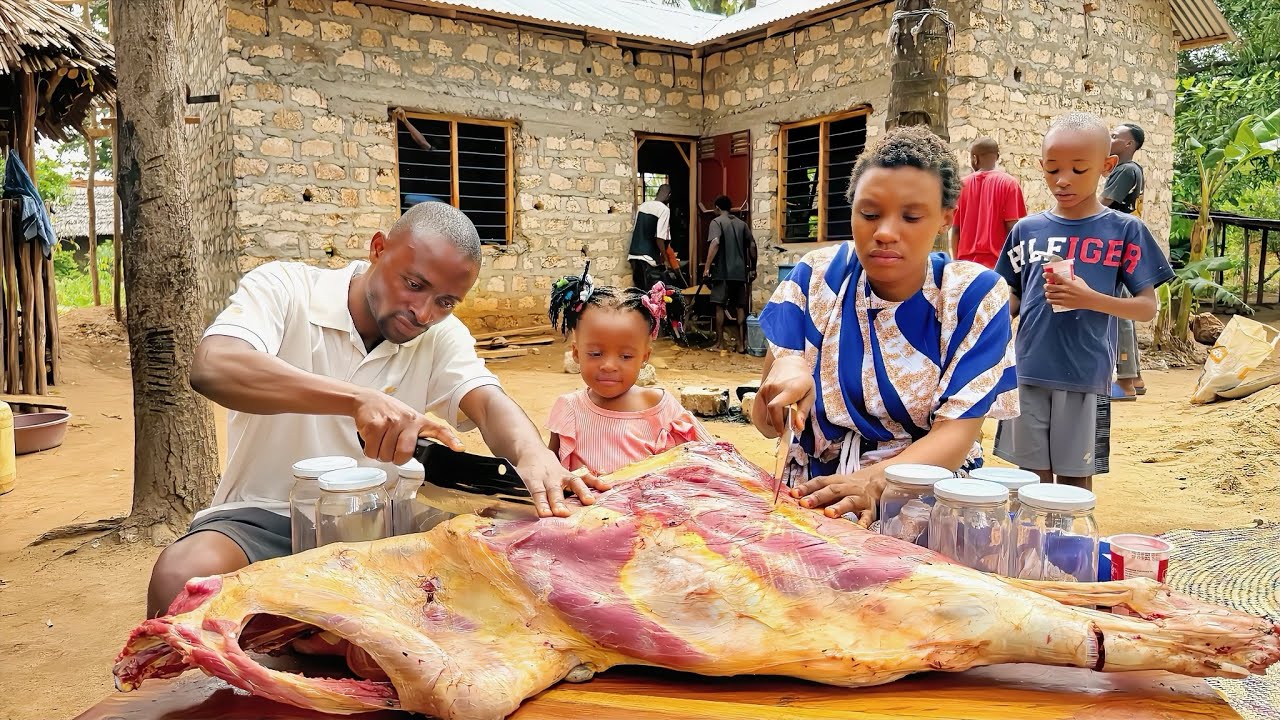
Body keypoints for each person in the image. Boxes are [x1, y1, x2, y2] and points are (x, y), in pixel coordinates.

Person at [146, 202, 606, 618]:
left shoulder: (441, 337)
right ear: (379, 249)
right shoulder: (285, 289)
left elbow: (486, 401)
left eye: (445, 302)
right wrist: (356, 399)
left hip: (388, 529)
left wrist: (533, 455)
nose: (424, 313)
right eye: (414, 285)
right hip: (269, 517)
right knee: (182, 575)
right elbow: (214, 367)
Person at [751, 125, 1019, 524]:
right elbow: (765, 424)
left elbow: (956, 435)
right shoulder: (818, 278)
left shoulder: (971, 297)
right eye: (869, 214)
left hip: (923, 498)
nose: (885, 233)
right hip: (813, 500)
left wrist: (873, 483)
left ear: (946, 219)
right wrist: (784, 377)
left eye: (911, 216)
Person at [993, 113, 1173, 491]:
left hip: (1085, 375)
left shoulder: (1123, 230)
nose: (1063, 180)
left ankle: (1070, 551)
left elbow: (1146, 307)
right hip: (1026, 370)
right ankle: (1033, 550)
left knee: (1074, 484)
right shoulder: (1026, 230)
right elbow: (1010, 297)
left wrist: (1090, 298)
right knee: (1029, 482)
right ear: (1041, 166)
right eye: (1053, 169)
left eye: (1078, 169)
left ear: (1107, 167)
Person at [546, 274, 712, 475]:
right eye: (595, 354)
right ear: (576, 353)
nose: (608, 366)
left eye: (625, 356)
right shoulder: (569, 410)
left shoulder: (662, 409)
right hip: (587, 506)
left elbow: (713, 458)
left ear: (644, 357)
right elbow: (549, 474)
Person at [1102, 123, 1147, 401]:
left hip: (1115, 241)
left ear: (1129, 144)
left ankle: (1127, 380)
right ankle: (1135, 378)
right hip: (1123, 240)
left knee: (1118, 308)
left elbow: (1103, 203)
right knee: (1122, 305)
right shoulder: (1127, 170)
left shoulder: (1126, 170)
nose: (1110, 138)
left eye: (1116, 136)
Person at [948, 137, 1027, 269]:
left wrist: (955, 264)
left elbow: (956, 230)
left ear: (975, 158)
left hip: (966, 267)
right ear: (997, 157)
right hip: (997, 267)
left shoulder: (961, 186)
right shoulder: (1009, 184)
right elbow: (1014, 230)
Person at [702, 194, 758, 352]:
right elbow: (752, 245)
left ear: (717, 208)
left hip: (722, 272)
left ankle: (720, 344)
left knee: (719, 307)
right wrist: (753, 268)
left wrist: (706, 267)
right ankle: (741, 344)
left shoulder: (716, 222)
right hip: (740, 274)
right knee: (740, 307)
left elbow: (715, 242)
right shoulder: (742, 224)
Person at [628, 184, 673, 290]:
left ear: (657, 193)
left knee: (640, 293)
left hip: (634, 255)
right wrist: (665, 259)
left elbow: (636, 229)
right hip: (649, 258)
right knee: (653, 295)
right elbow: (659, 238)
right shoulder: (664, 210)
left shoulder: (643, 205)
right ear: (669, 196)